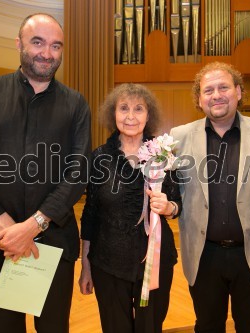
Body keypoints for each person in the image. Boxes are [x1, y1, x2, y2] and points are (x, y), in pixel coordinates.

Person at [0, 13, 91, 333]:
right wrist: (8, 228)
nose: (47, 53)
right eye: (37, 42)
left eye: (56, 46)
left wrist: (34, 225)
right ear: (18, 44)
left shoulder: (75, 104)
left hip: (54, 242)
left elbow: (77, 172)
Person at [169, 62, 250, 332]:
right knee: (208, 326)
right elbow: (170, 190)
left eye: (223, 87)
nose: (216, 94)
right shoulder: (178, 137)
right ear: (199, 98)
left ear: (239, 92)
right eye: (208, 90)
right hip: (203, 255)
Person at [78, 83, 181, 333]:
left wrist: (168, 207)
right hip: (108, 263)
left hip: (155, 262)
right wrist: (85, 266)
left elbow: (179, 204)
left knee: (151, 328)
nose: (131, 116)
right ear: (113, 114)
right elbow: (90, 215)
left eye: (138, 109)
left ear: (149, 115)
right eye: (123, 108)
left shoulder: (163, 154)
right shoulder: (99, 158)